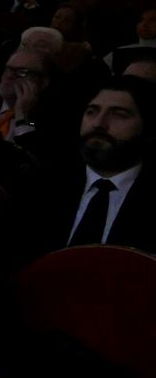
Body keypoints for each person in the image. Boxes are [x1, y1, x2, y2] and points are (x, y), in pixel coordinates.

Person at [29, 75, 156, 255]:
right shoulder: (42, 186)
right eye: (92, 112)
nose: (98, 124)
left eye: (119, 115)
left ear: (148, 127)